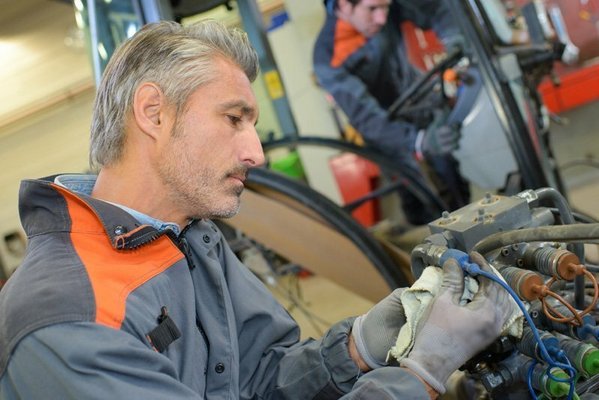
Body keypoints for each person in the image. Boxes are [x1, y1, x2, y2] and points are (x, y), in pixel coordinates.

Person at [0, 20, 516, 399]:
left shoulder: (186, 239)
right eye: (233, 119)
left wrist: (358, 346)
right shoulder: (68, 319)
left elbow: (259, 380)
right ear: (153, 113)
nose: (257, 153)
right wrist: (421, 373)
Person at [313, 0, 471, 225]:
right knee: (419, 198)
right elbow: (366, 116)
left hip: (421, 102)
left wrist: (452, 36)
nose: (382, 18)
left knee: (454, 181)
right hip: (386, 133)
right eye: (372, 10)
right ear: (343, 5)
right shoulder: (327, 56)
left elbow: (435, 7)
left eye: (385, 7)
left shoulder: (381, 5)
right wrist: (418, 141)